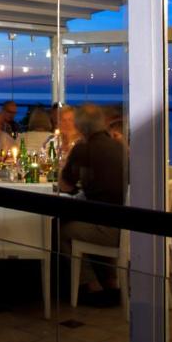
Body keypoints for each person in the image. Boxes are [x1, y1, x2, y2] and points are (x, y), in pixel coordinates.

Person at [59, 104, 127, 305]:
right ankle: (111, 282)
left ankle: (90, 285)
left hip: (108, 229)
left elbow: (64, 185)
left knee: (62, 230)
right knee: (93, 218)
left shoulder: (83, 148)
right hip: (127, 223)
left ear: (80, 127)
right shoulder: (119, 146)